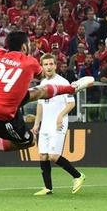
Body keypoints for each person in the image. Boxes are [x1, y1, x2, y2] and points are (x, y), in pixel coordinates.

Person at [0, 8, 94, 155]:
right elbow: (42, 75)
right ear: (24, 47)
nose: (30, 47)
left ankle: (71, 88)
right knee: (28, 141)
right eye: (29, 45)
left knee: (38, 92)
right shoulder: (29, 62)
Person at [32, 54, 85, 196]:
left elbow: (72, 103)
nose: (49, 67)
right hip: (45, 125)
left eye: (51, 64)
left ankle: (78, 176)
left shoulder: (62, 82)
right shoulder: (42, 84)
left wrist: (60, 116)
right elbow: (40, 105)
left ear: (55, 65)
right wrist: (37, 124)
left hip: (58, 124)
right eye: (46, 64)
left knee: (54, 156)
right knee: (43, 156)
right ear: (42, 67)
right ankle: (48, 188)